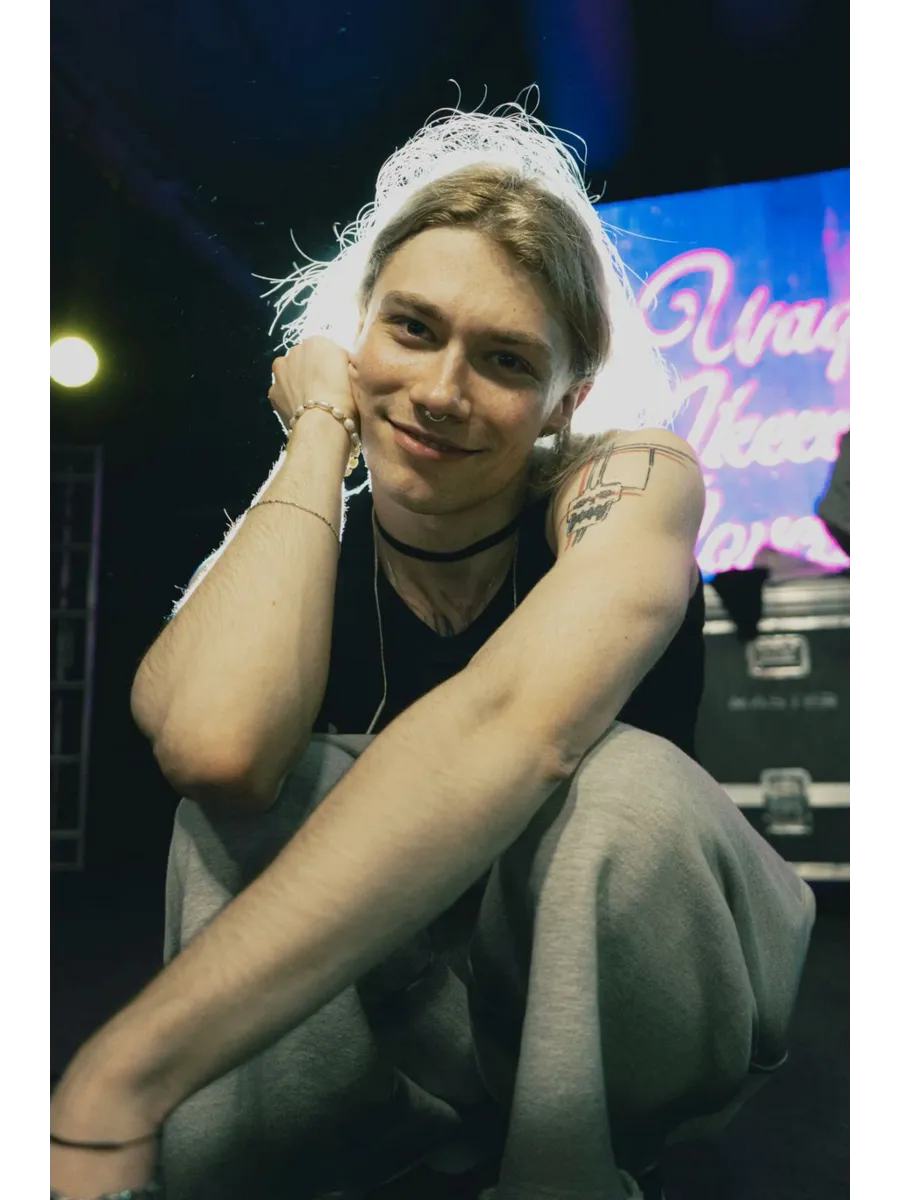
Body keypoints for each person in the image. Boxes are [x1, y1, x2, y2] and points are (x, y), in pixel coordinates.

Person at [49, 102, 815, 1200]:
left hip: (620, 1019)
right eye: (411, 329)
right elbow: (218, 754)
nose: (444, 393)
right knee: (251, 800)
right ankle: (311, 1158)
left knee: (623, 789)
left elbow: (515, 724)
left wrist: (125, 1068)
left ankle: (565, 1171)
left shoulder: (628, 477)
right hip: (399, 1017)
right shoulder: (307, 532)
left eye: (504, 360)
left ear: (564, 401)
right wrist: (320, 431)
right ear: (354, 335)